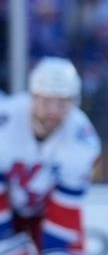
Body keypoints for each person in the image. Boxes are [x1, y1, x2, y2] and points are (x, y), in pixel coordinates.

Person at [0, 57, 101, 255]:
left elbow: (66, 206)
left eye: (62, 103)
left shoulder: (83, 140)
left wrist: (55, 249)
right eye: (46, 101)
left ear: (74, 103)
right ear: (33, 97)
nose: (53, 112)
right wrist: (5, 238)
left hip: (48, 209)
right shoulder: (6, 120)